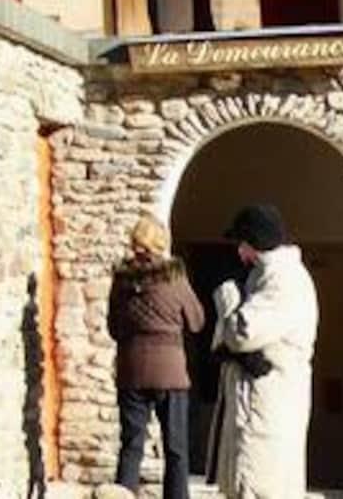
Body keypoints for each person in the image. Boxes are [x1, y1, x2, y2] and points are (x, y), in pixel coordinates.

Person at [210, 203, 319, 499]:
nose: (239, 252)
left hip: (267, 402)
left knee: (259, 484)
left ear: (253, 243)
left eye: (241, 243)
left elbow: (241, 334)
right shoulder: (266, 276)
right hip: (258, 401)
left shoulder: (283, 280)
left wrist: (227, 299)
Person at [107, 214, 206, 499]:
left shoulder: (122, 280)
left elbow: (114, 328)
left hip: (131, 369)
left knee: (131, 445)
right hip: (170, 372)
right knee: (176, 448)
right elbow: (196, 321)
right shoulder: (174, 277)